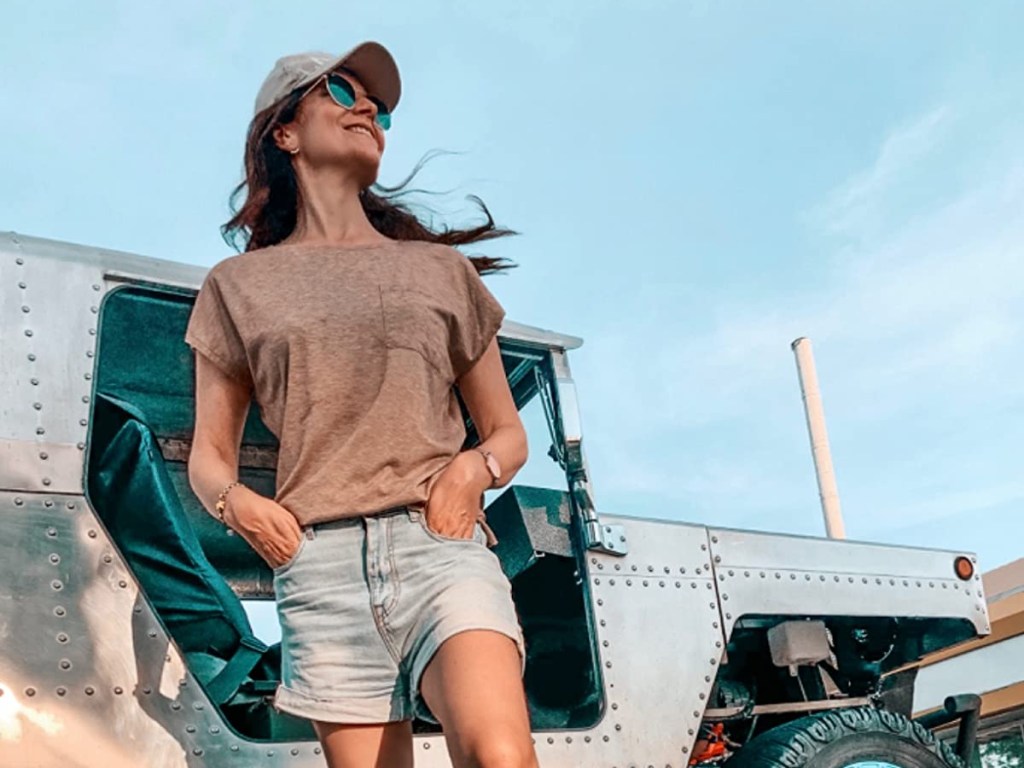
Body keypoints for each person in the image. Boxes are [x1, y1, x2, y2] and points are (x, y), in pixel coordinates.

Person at [184, 41, 538, 768]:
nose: (368, 108)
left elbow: (506, 432)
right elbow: (208, 457)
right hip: (321, 567)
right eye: (341, 93)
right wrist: (241, 507)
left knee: (499, 755)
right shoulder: (237, 286)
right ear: (284, 134)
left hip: (439, 549)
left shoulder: (441, 272)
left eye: (376, 105)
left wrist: (471, 472)